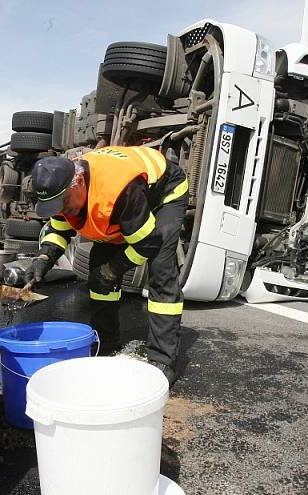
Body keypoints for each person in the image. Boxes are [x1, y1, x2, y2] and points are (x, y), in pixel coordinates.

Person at [27, 146, 188, 386]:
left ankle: (163, 359)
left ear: (79, 181)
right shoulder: (62, 193)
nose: (61, 210)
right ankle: (106, 343)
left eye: (64, 203)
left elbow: (147, 245)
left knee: (161, 271)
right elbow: (59, 230)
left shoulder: (118, 191)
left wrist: (113, 270)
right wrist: (43, 259)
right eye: (55, 206)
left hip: (164, 192)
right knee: (98, 272)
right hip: (124, 204)